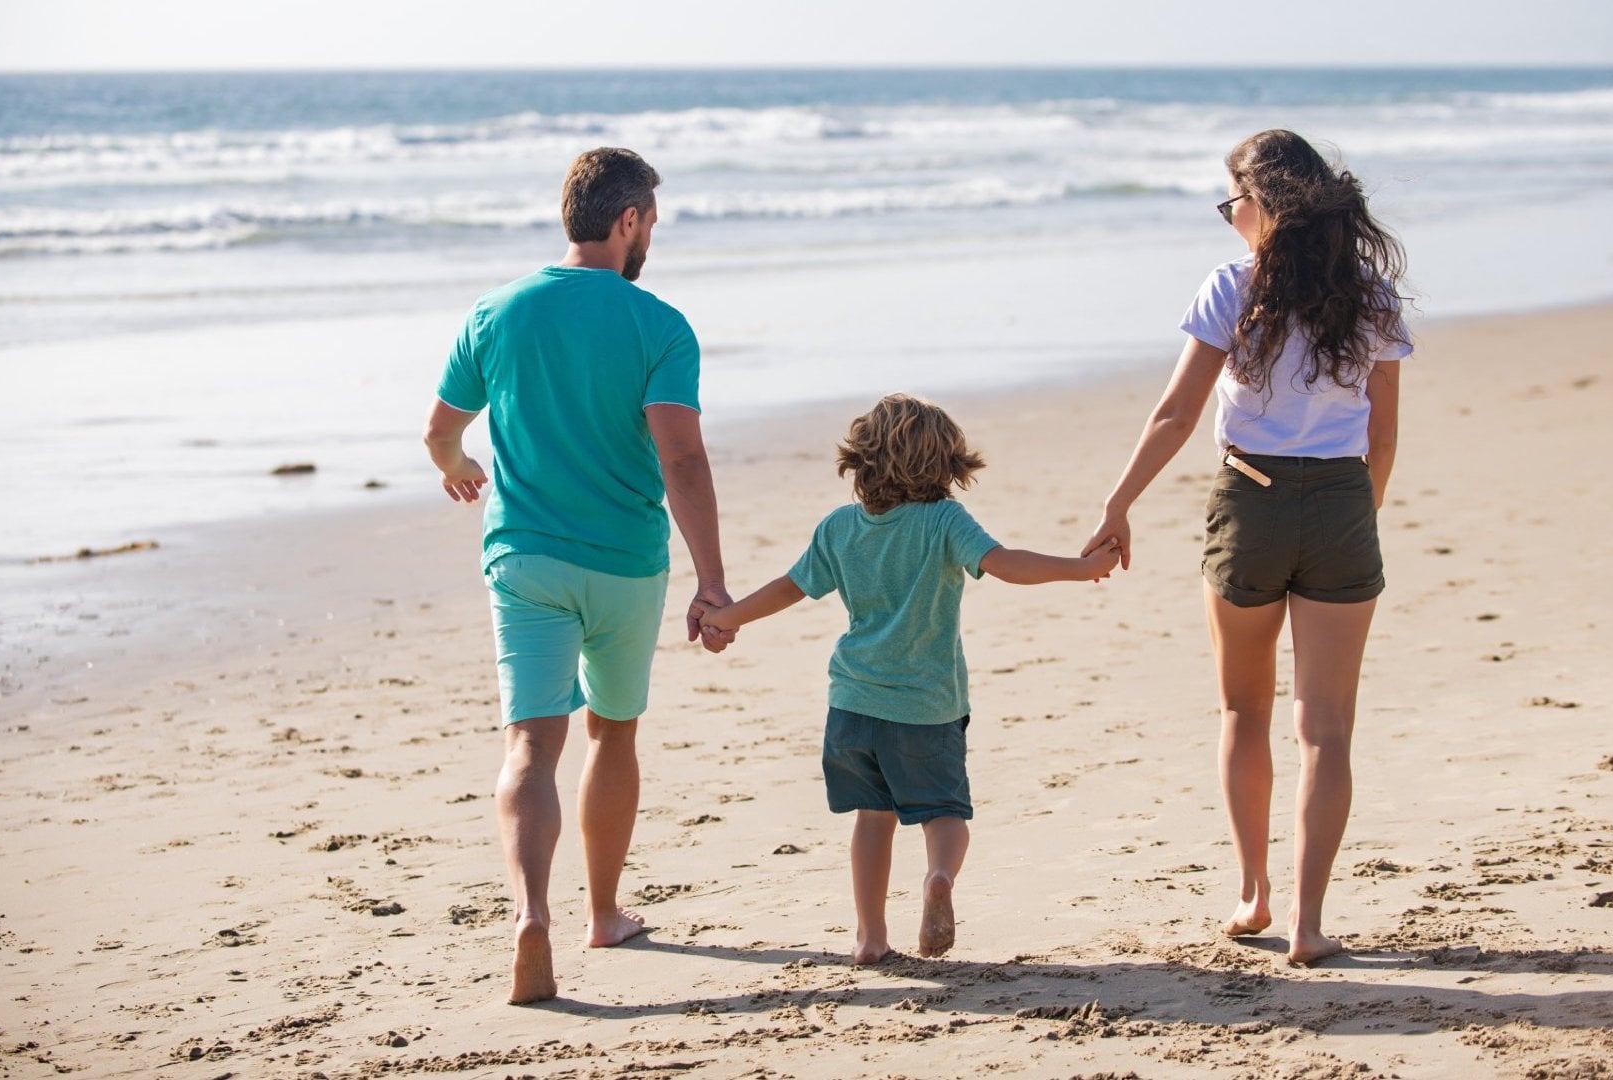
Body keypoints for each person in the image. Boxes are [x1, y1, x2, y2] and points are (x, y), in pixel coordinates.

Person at [1083, 129, 1411, 965]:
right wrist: (1352, 517)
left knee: (1244, 710)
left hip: (1250, 498)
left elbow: (1175, 415)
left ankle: (1253, 893)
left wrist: (1118, 503)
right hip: (1340, 500)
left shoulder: (1233, 287)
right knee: (1327, 726)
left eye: (1233, 201)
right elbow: (1383, 438)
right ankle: (1308, 923)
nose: (1230, 217)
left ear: (1262, 204)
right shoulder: (1370, 295)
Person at [423, 146, 733, 1005]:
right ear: (627, 221)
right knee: (614, 732)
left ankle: (532, 916)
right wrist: (713, 585)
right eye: (651, 225)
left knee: (530, 743)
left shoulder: (497, 311)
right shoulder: (657, 323)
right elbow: (684, 458)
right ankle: (602, 911)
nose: (650, 242)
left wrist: (457, 465)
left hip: (523, 559)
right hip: (626, 566)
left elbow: (439, 430)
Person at [699, 394, 1119, 965]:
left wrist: (726, 616)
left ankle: (870, 937)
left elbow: (788, 588)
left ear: (860, 460)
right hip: (926, 707)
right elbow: (1006, 564)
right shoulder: (943, 521)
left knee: (873, 820)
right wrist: (1080, 568)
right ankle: (939, 877)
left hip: (852, 705)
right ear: (947, 465)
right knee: (945, 813)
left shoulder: (840, 527)